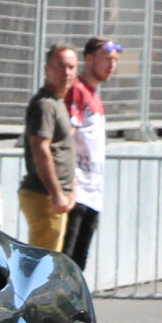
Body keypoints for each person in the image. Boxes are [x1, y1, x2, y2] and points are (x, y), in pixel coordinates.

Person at [63, 37, 119, 269]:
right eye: (107, 59)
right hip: (78, 193)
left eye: (115, 60)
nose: (112, 65)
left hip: (93, 193)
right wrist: (70, 180)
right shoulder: (77, 90)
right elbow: (66, 136)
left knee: (79, 262)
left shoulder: (94, 95)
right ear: (89, 59)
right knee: (66, 260)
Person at [18, 43, 78, 253]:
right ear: (47, 69)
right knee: (42, 264)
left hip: (55, 198)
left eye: (71, 67)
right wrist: (56, 194)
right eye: (61, 66)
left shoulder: (57, 103)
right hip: (45, 197)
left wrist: (72, 185)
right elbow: (40, 149)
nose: (67, 72)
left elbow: (62, 149)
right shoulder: (44, 105)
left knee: (50, 262)